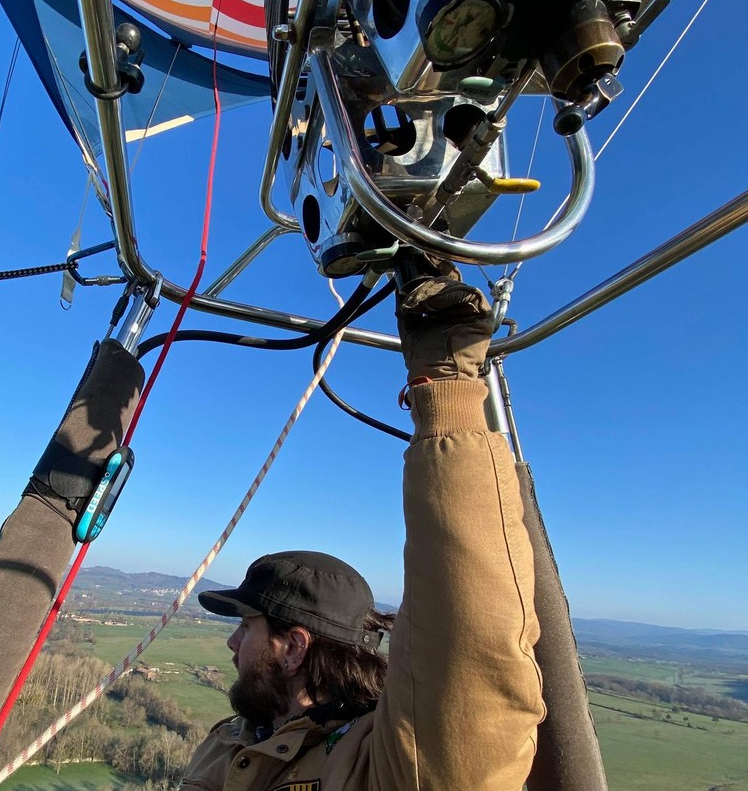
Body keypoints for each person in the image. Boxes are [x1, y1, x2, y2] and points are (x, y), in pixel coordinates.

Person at [183, 274, 545, 791]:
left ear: (293, 649)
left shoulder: (375, 767)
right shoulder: (231, 741)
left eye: (247, 626)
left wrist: (446, 386)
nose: (232, 643)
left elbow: (471, 640)